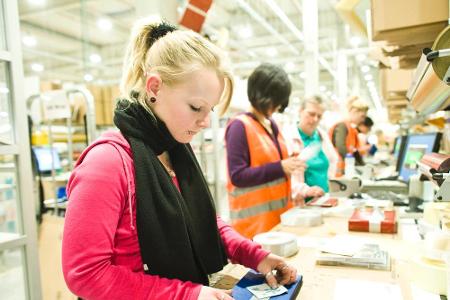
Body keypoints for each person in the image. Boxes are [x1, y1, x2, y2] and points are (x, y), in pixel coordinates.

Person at [62, 19, 297, 300]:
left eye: (209, 110)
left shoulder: (174, 150)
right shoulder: (107, 163)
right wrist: (186, 295)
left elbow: (201, 222)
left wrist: (256, 256)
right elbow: (86, 273)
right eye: (196, 107)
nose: (204, 121)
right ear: (154, 87)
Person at [225, 63, 305, 239]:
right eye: (275, 100)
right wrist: (281, 167)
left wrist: (290, 163)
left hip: (280, 220)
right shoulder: (239, 126)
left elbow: (272, 162)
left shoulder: (271, 124)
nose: (278, 106)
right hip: (254, 227)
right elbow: (237, 176)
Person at [284, 96, 338, 205]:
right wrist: (306, 190)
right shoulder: (287, 138)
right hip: (301, 204)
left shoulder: (322, 136)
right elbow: (286, 176)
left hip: (323, 200)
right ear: (300, 111)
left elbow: (333, 160)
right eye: (311, 114)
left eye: (319, 116)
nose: (315, 120)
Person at [329, 96, 369, 176]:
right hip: (337, 173)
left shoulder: (352, 130)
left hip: (346, 172)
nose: (363, 120)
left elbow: (355, 152)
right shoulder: (342, 127)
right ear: (354, 111)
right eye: (362, 116)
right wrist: (357, 168)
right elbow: (341, 149)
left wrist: (365, 169)